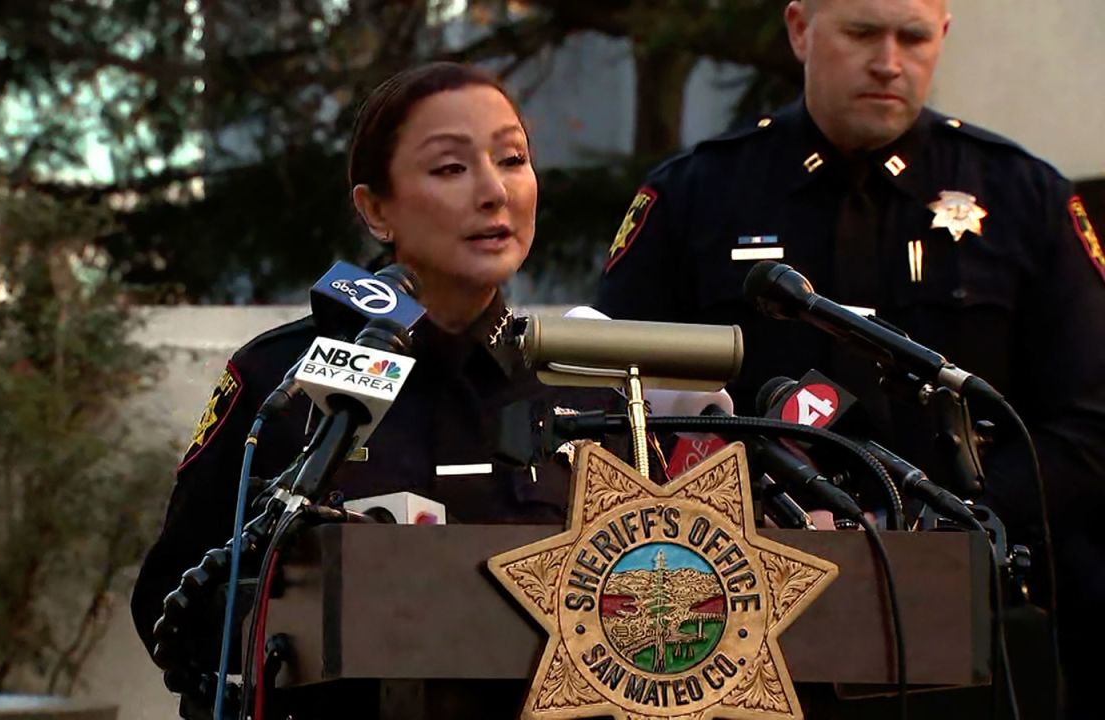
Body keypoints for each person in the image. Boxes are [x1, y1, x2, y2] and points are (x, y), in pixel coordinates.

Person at [595, 0, 1104, 717]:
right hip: (746, 615)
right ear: (801, 28)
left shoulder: (1024, 198)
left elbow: (1088, 426)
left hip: (975, 617)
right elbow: (609, 396)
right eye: (863, 33)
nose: (889, 61)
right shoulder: (698, 195)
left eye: (913, 37)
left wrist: (949, 522)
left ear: (943, 38)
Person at [131, 62, 623, 683]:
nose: (494, 191)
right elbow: (169, 607)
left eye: (513, 159)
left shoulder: (588, 386)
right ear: (375, 210)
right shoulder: (283, 380)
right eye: (450, 167)